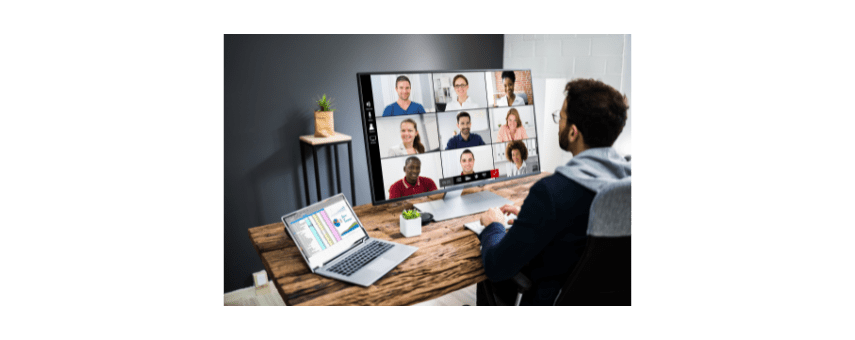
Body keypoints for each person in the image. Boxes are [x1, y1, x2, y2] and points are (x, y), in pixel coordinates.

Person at [476, 78, 631, 305]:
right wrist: (534, 217)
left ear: (573, 133)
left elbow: (497, 267)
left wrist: (494, 225)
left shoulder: (551, 193)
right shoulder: (627, 183)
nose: (559, 123)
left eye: (561, 117)